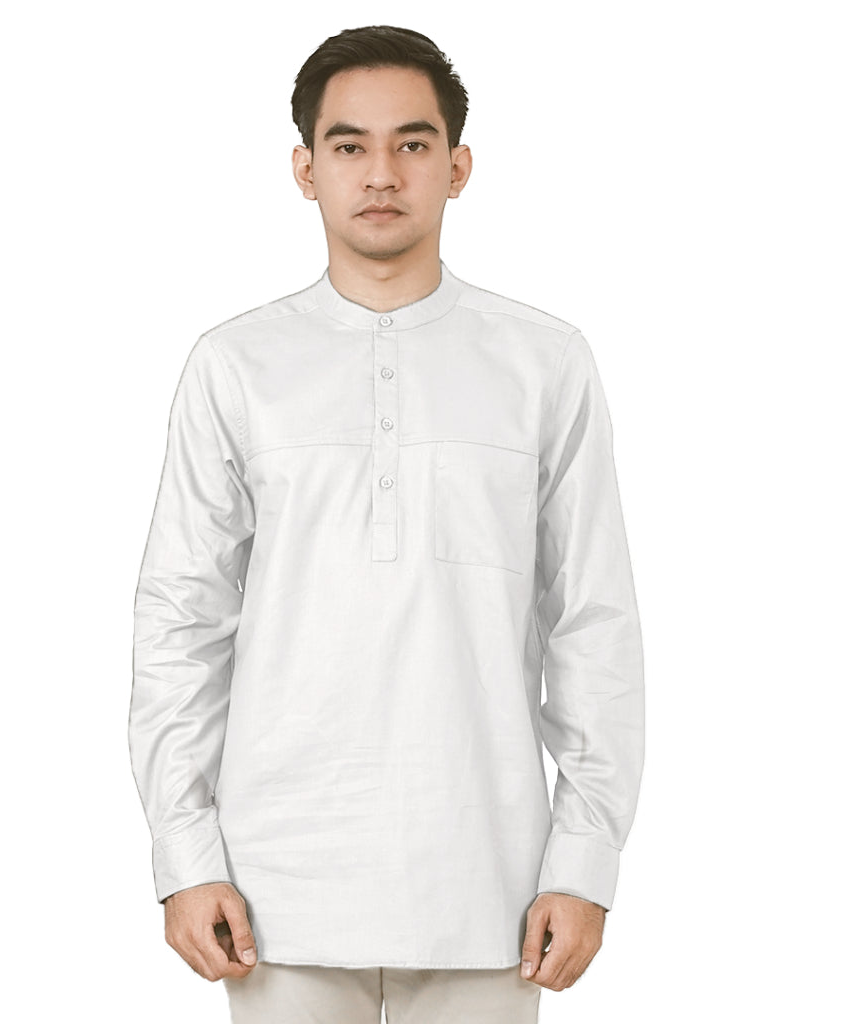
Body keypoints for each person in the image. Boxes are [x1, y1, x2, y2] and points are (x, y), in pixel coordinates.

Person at [128, 24, 645, 1023]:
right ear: (305, 169)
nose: (380, 173)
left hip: (491, 887)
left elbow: (595, 622)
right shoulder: (235, 367)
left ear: (457, 167)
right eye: (349, 145)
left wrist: (586, 859)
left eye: (412, 143)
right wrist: (184, 854)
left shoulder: (542, 363)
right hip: (273, 888)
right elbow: (178, 623)